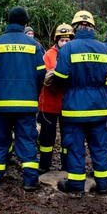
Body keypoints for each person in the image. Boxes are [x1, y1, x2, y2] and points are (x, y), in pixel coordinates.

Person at [0, 6, 46, 191]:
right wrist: (34, 91)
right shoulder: (34, 45)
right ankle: (30, 180)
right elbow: (42, 73)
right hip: (26, 103)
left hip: (1, 103)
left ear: (8, 21)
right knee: (26, 140)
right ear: (25, 23)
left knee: (0, 139)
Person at [51, 10, 107, 194]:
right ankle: (103, 184)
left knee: (75, 147)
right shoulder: (103, 48)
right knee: (99, 147)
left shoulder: (68, 48)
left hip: (75, 107)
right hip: (99, 107)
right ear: (92, 27)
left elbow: (60, 77)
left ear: (75, 27)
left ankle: (76, 185)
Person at [37, 24, 73, 174]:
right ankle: (44, 164)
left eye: (67, 40)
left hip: (67, 103)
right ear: (56, 40)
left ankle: (66, 165)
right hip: (49, 103)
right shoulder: (48, 55)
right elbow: (44, 75)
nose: (64, 43)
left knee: (68, 136)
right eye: (62, 40)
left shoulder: (73, 53)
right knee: (47, 136)